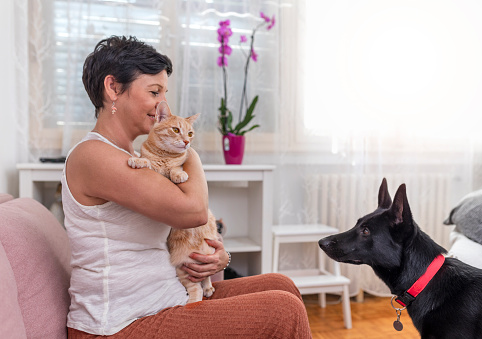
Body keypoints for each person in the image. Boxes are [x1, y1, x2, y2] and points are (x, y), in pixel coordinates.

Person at [62, 35, 312, 338]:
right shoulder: (94, 156)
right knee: (284, 310)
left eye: (164, 93)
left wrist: (216, 258)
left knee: (280, 284)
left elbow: (177, 232)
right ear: (113, 88)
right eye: (154, 92)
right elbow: (193, 210)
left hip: (164, 297)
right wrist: (185, 146)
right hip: (118, 324)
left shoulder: (134, 156)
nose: (162, 104)